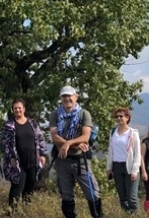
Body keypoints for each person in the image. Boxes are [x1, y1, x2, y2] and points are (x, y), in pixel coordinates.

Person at [49, 85, 103, 218]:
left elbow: (85, 137)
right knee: (66, 195)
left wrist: (67, 143)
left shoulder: (84, 114)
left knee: (92, 193)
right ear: (61, 98)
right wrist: (75, 145)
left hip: (80, 161)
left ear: (76, 97)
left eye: (69, 95)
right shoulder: (55, 115)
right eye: (64, 96)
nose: (67, 98)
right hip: (62, 160)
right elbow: (55, 137)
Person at [1, 99, 48, 210]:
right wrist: (10, 157)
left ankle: (27, 210)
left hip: (33, 161)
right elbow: (4, 144)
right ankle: (13, 212)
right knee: (17, 187)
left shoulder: (32, 123)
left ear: (24, 109)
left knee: (30, 186)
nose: (17, 110)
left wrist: (42, 154)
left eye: (19, 108)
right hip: (17, 163)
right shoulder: (9, 126)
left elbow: (41, 139)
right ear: (13, 110)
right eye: (15, 108)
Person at [106, 107, 142, 214]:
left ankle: (136, 215)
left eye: (121, 116)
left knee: (132, 198)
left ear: (127, 117)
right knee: (122, 197)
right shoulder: (113, 132)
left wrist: (135, 171)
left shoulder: (133, 133)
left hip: (130, 167)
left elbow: (137, 153)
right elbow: (110, 150)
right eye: (116, 116)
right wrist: (109, 168)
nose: (118, 118)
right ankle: (126, 215)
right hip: (117, 167)